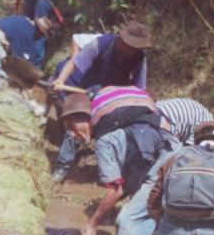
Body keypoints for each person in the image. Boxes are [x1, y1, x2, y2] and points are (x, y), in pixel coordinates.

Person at [60, 86, 179, 235]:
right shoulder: (120, 125)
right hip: (177, 156)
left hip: (164, 166)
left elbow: (114, 190)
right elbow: (126, 182)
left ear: (86, 118)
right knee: (145, 207)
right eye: (68, 130)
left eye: (73, 126)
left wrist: (92, 223)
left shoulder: (105, 140)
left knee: (127, 219)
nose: (72, 135)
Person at [51, 22, 151, 182]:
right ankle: (63, 166)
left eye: (135, 48)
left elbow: (139, 87)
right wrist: (60, 80)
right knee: (79, 123)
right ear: (120, 39)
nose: (131, 51)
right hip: (80, 83)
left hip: (107, 91)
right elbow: (74, 62)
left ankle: (112, 167)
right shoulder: (103, 43)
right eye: (128, 46)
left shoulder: (139, 57)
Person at [13, 0, 59, 67]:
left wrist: (27, 24)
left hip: (40, 31)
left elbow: (44, 27)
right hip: (32, 26)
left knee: (37, 55)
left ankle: (36, 73)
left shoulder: (41, 3)